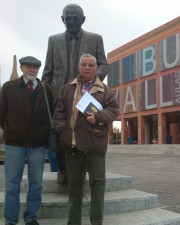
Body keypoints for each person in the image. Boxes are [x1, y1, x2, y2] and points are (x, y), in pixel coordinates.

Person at [42, 3, 109, 184]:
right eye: (68, 18)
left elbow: (104, 64)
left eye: (75, 18)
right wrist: (43, 97)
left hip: (86, 95)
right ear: (63, 19)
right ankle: (63, 171)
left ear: (83, 20)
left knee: (84, 133)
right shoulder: (53, 40)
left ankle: (81, 172)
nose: (71, 22)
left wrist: (91, 79)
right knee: (60, 133)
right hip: (60, 96)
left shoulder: (95, 39)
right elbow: (48, 72)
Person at [54, 53, 119, 225]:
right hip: (73, 146)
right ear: (79, 67)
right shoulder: (68, 87)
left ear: (96, 68)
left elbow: (114, 111)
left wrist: (97, 117)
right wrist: (62, 131)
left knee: (98, 186)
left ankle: (96, 222)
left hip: (95, 146)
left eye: (91, 65)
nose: (87, 68)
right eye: (84, 65)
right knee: (74, 188)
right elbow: (59, 111)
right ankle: (73, 222)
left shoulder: (105, 90)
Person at [0, 56, 53, 225]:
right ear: (22, 68)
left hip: (38, 145)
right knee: (12, 186)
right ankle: (10, 220)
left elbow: (50, 112)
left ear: (39, 70)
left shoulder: (46, 89)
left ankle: (31, 217)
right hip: (15, 144)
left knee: (36, 184)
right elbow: (1, 114)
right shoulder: (8, 88)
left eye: (35, 67)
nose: (32, 70)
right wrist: (11, 129)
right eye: (28, 67)